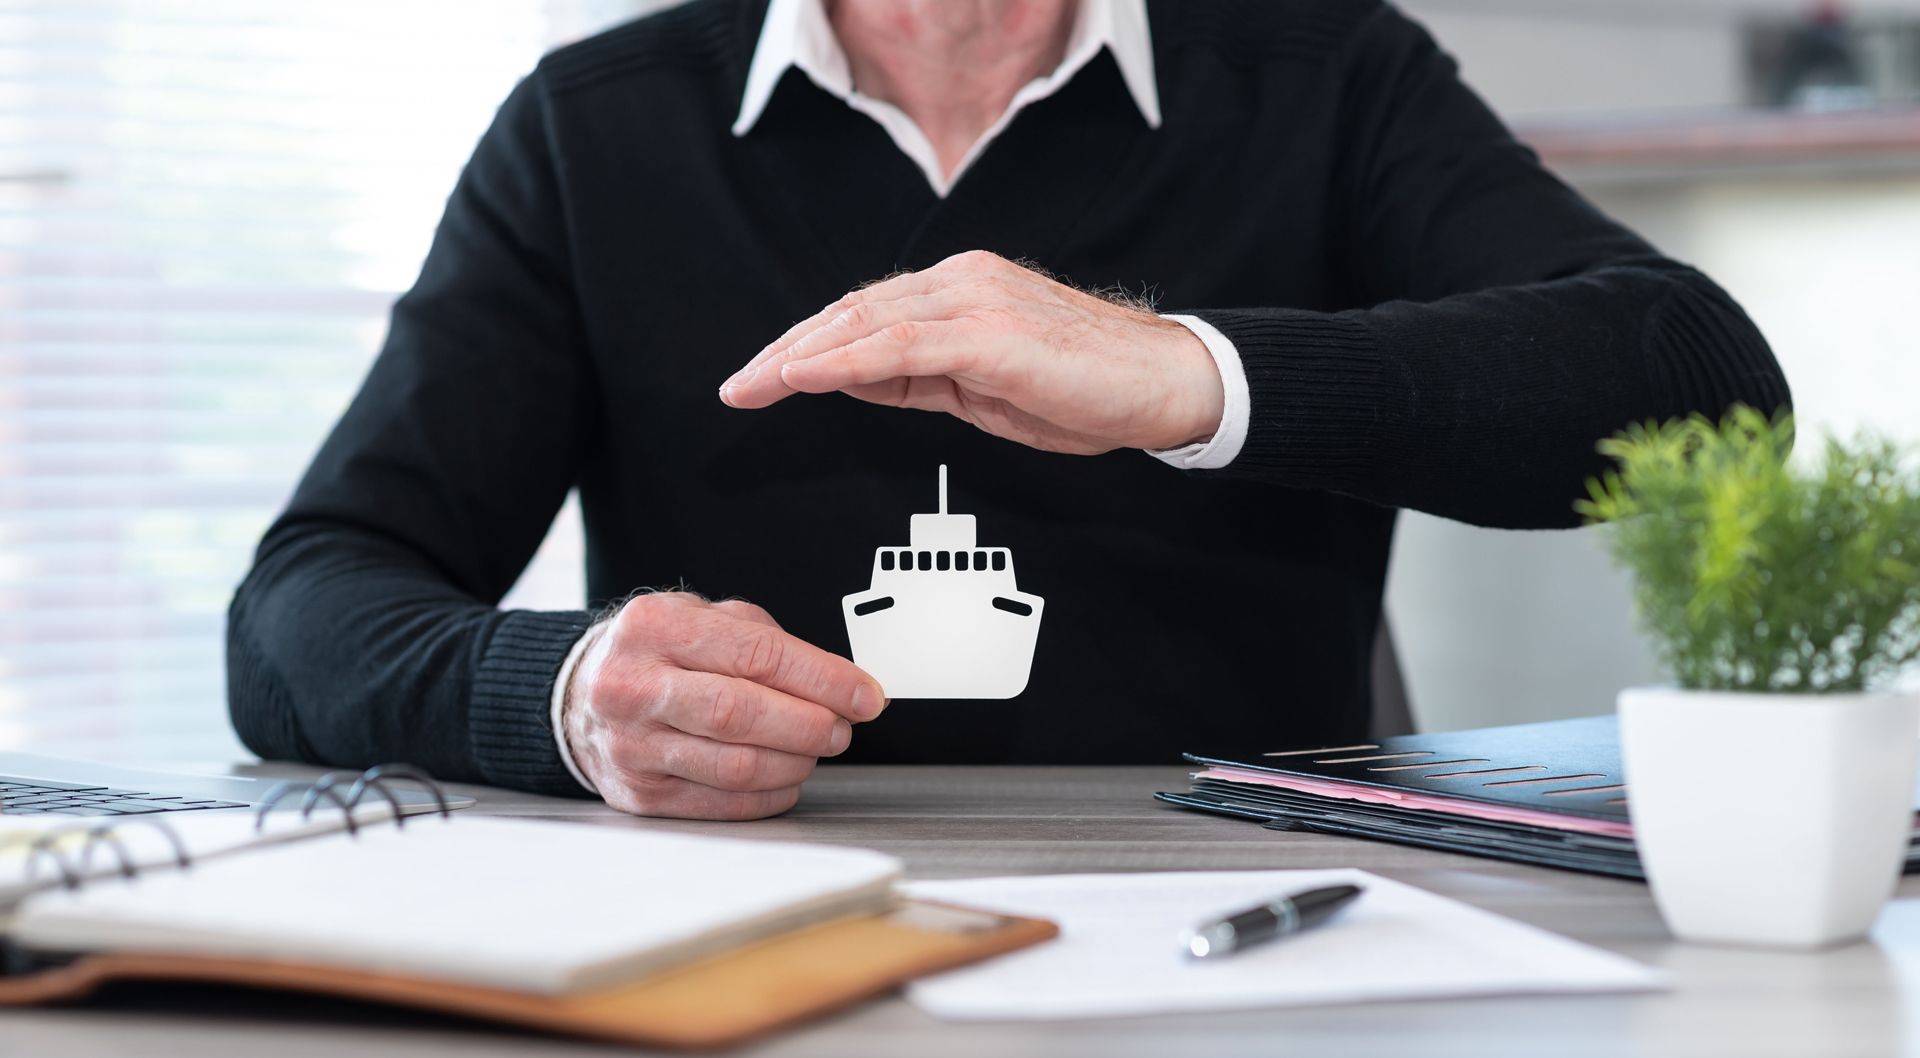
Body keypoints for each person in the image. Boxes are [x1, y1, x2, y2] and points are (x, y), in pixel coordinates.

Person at [227, 0, 1789, 819]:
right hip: (743, 933)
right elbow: (301, 610)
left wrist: (1193, 375)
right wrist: (565, 693)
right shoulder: (596, 126)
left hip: (1249, 953)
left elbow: (1698, 375)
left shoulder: (1328, 73)